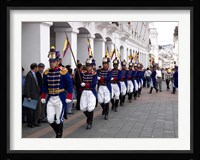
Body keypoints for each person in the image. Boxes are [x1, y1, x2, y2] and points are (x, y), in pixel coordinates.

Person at [40, 46, 73, 138]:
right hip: (50, 97)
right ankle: (58, 131)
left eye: (53, 61)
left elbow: (69, 84)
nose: (52, 63)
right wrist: (43, 96)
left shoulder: (63, 71)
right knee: (50, 119)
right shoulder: (46, 72)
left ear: (58, 61)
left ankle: (59, 135)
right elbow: (44, 85)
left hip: (60, 97)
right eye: (50, 61)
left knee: (59, 119)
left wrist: (69, 96)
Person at [80, 57, 98, 129]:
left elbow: (94, 84)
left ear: (92, 66)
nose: (88, 67)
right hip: (84, 92)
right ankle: (89, 117)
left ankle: (90, 122)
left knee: (90, 108)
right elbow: (79, 81)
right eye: (87, 66)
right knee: (83, 108)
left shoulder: (94, 74)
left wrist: (86, 84)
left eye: (90, 66)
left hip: (91, 91)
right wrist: (81, 84)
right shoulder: (83, 73)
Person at [24, 63, 40, 128]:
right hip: (31, 96)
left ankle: (35, 122)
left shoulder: (34, 74)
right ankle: (30, 123)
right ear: (35, 68)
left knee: (35, 110)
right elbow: (27, 86)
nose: (38, 69)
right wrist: (28, 96)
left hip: (35, 95)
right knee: (30, 111)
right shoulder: (29, 75)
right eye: (37, 68)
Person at [97, 55, 112, 120]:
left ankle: (106, 113)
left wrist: (101, 78)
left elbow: (108, 78)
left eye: (106, 64)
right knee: (100, 100)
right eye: (104, 63)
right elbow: (96, 77)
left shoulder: (110, 70)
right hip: (101, 86)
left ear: (108, 64)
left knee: (106, 100)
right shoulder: (99, 70)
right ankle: (104, 109)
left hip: (106, 86)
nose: (105, 65)